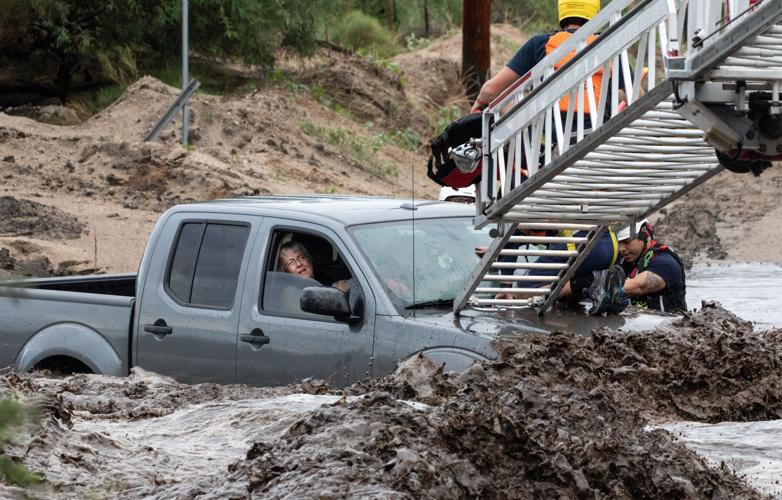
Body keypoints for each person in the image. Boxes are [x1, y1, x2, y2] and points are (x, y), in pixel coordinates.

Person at [471, 0, 602, 115]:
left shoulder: (540, 44)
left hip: (552, 128)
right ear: (595, 12)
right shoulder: (606, 43)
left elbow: (490, 90)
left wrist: (479, 103)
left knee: (511, 102)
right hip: (599, 128)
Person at [587, 220, 686, 315]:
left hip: (669, 323)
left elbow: (639, 286)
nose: (621, 249)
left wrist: (602, 291)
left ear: (644, 235)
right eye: (618, 243)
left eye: (627, 242)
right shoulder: (624, 261)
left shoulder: (666, 262)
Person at [279, 241, 351, 293]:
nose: (298, 264)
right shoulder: (291, 292)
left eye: (301, 257)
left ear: (309, 260)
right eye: (291, 263)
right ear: (287, 272)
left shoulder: (324, 277)